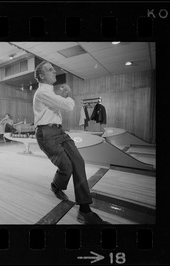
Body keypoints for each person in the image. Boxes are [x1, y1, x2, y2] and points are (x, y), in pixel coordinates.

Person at [33, 61, 108, 224]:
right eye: (49, 70)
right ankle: (56, 185)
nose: (54, 71)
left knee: (78, 162)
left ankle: (85, 209)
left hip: (59, 131)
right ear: (41, 76)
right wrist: (69, 95)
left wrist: (65, 97)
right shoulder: (41, 93)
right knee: (66, 166)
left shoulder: (51, 94)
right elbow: (67, 106)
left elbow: (62, 103)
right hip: (46, 134)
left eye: (53, 68)